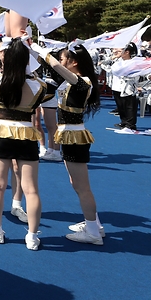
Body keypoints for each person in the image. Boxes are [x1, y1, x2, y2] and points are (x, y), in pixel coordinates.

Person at [0, 12, 49, 250]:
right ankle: (32, 235)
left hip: (1, 131)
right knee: (31, 189)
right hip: (26, 133)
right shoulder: (39, 85)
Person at [30, 42, 105, 244]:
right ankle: (94, 224)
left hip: (74, 135)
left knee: (82, 187)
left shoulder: (82, 82)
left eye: (64, 59)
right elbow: (49, 72)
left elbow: (54, 66)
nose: (61, 62)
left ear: (74, 62)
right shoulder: (70, 81)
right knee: (77, 184)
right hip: (70, 135)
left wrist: (40, 49)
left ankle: (93, 233)